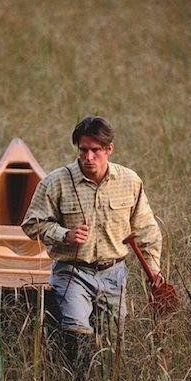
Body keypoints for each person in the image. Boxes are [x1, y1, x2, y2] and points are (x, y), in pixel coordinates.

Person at [22, 115, 162, 367]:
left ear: (109, 149)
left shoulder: (130, 181)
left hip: (114, 274)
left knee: (112, 343)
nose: (88, 157)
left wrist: (153, 269)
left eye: (95, 150)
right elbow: (31, 224)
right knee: (76, 331)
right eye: (83, 150)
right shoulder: (56, 182)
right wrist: (64, 234)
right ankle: (74, 379)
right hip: (72, 272)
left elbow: (147, 230)